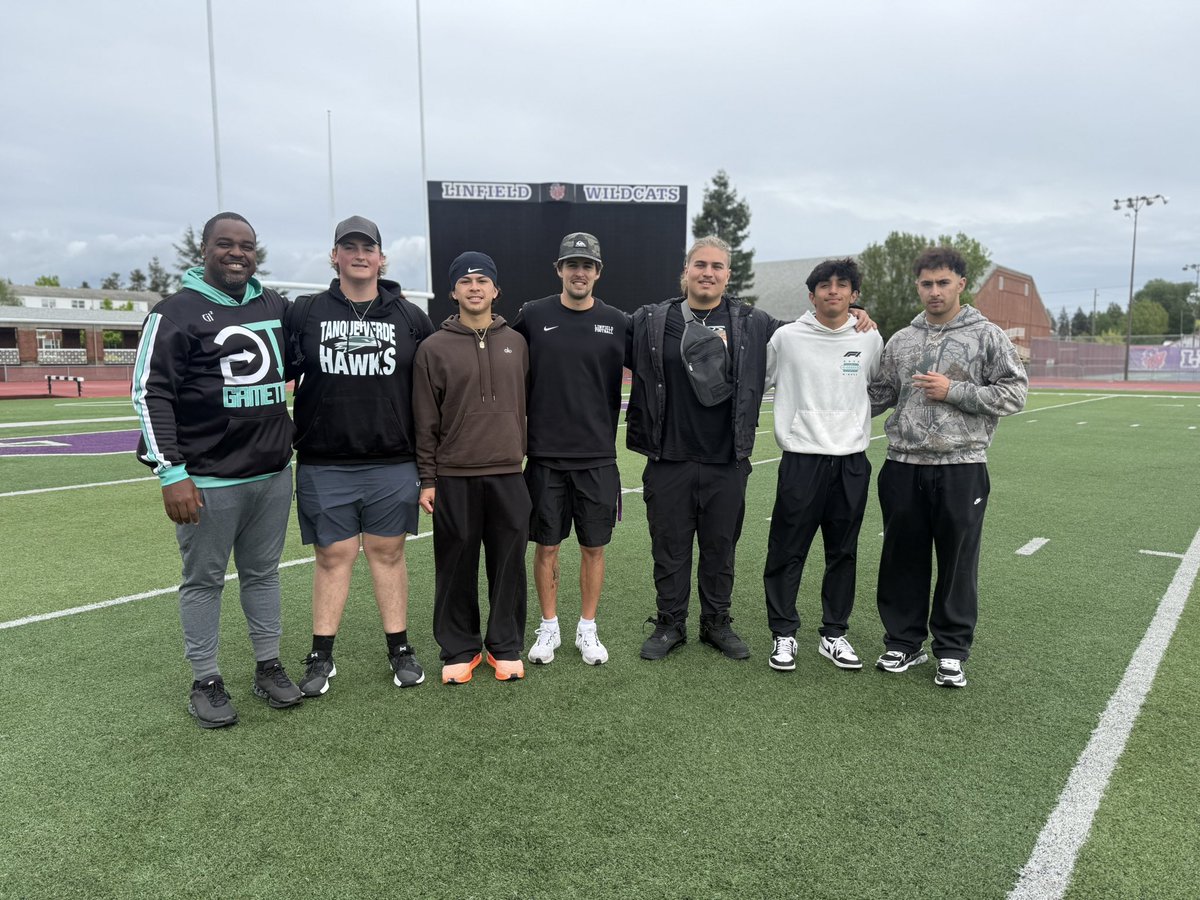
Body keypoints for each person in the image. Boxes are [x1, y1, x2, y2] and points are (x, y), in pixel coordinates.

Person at [626, 236, 875, 661]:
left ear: (728, 275)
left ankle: (716, 623)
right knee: (669, 548)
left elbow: (814, 328)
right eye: (700, 265)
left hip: (727, 458)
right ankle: (670, 624)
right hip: (668, 457)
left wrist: (850, 313)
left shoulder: (754, 321)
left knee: (721, 548)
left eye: (717, 266)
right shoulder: (650, 319)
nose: (708, 273)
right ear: (685, 271)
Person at [132, 211, 302, 728]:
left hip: (272, 472)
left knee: (262, 574)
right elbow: (149, 391)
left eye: (246, 245)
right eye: (225, 244)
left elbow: (300, 361)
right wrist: (171, 472)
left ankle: (267, 666)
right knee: (203, 581)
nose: (237, 253)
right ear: (204, 250)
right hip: (207, 478)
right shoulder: (175, 312)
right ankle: (205, 678)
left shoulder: (274, 304)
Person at [286, 216, 435, 697]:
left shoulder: (410, 317)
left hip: (393, 459)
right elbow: (272, 373)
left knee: (388, 554)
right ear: (334, 256)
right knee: (333, 556)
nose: (359, 254)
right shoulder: (306, 312)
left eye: (367, 246)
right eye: (348, 246)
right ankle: (321, 655)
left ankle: (400, 649)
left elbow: (434, 386)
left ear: (381, 257)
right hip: (325, 459)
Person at [868, 245, 1027, 688]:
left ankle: (952, 650)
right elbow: (880, 395)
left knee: (957, 561)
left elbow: (1015, 394)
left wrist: (954, 390)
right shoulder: (901, 340)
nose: (934, 291)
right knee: (902, 557)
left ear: (961, 283)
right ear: (917, 286)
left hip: (962, 465)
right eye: (926, 283)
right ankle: (902, 642)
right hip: (902, 465)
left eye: (943, 283)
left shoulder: (987, 335)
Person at [412, 252, 531, 684]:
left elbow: (528, 406)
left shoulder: (517, 342)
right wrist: (428, 478)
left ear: (496, 289)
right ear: (454, 291)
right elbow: (425, 420)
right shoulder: (433, 348)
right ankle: (459, 648)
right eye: (465, 281)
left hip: (507, 473)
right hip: (454, 475)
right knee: (455, 565)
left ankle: (505, 645)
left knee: (508, 564)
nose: (474, 287)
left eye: (483, 279)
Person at [511, 233, 628, 666]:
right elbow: (493, 345)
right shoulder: (533, 315)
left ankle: (587, 628)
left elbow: (662, 354)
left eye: (588, 265)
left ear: (598, 272)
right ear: (559, 269)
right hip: (544, 457)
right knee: (546, 546)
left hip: (598, 457)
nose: (579, 272)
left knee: (594, 547)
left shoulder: (618, 321)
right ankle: (549, 628)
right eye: (571, 264)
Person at [762, 258, 883, 673]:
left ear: (854, 294)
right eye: (825, 285)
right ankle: (783, 633)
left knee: (843, 552)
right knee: (787, 550)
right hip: (801, 460)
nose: (834, 291)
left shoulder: (869, 338)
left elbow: (877, 388)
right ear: (811, 295)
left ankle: (834, 634)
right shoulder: (786, 338)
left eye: (842, 284)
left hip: (850, 462)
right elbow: (756, 382)